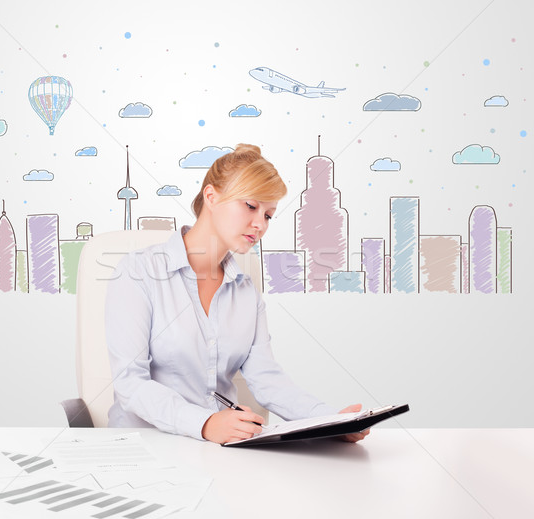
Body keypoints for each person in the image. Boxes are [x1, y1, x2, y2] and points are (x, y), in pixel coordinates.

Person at [105, 144, 370, 444]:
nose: (260, 225)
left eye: (269, 215)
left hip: (217, 450)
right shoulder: (138, 272)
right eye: (250, 206)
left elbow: (267, 380)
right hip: (143, 445)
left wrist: (330, 421)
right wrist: (204, 423)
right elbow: (130, 384)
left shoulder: (245, 292)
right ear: (211, 196)